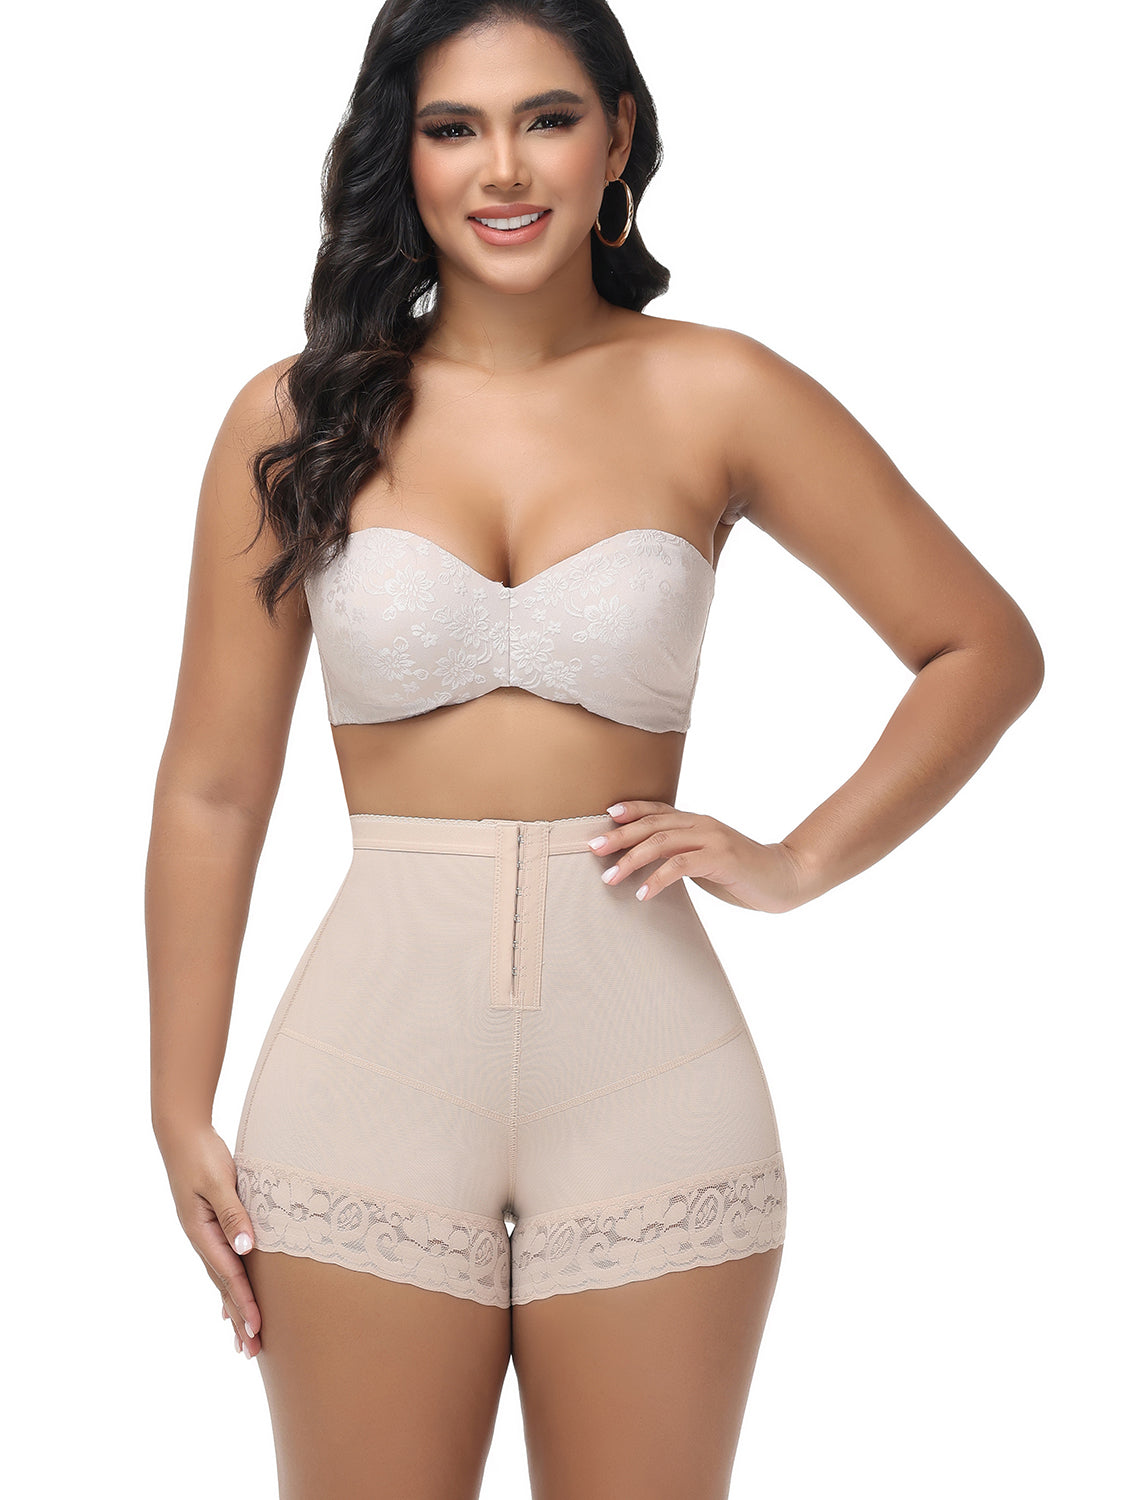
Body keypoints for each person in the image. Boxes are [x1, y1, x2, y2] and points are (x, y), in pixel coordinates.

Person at [146, 1, 1044, 1493]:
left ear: (617, 136)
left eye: (547, 119)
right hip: (365, 1077)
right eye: (454, 127)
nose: (503, 169)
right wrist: (177, 1099)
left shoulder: (718, 390)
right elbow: (216, 788)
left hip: (652, 1081)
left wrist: (795, 862)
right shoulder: (297, 418)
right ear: (402, 155)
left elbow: (983, 649)